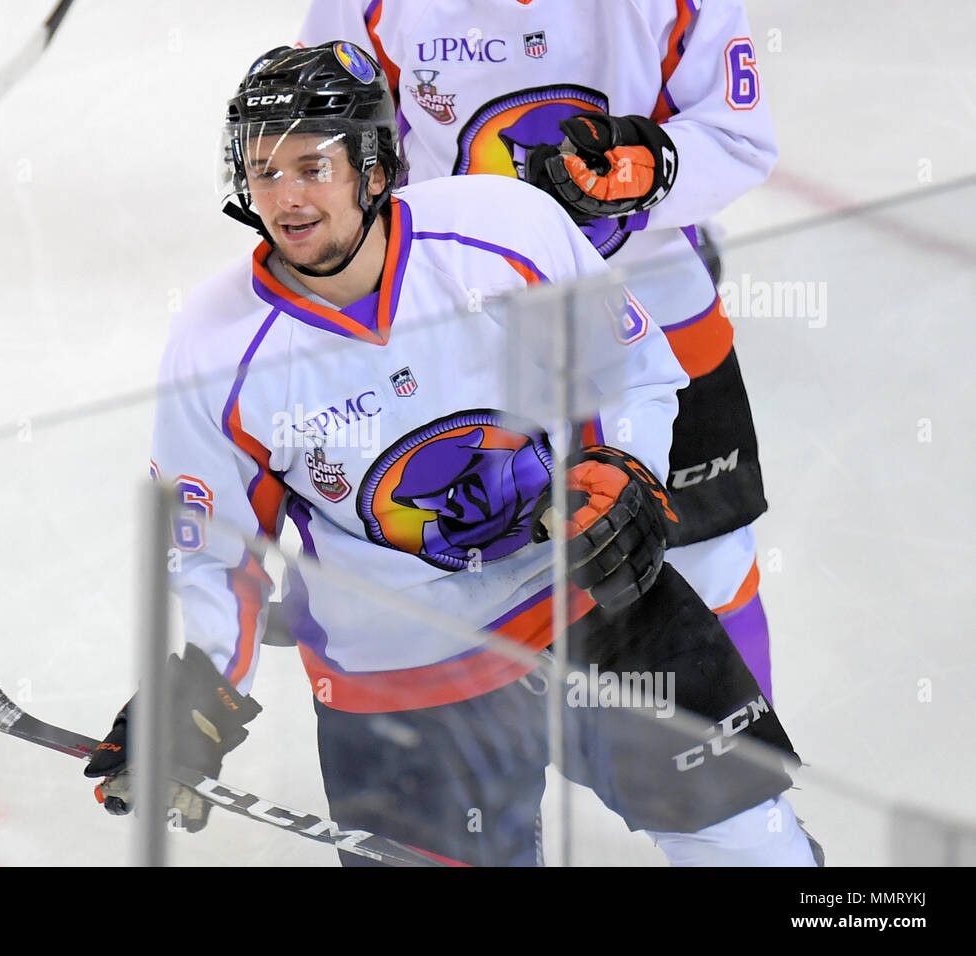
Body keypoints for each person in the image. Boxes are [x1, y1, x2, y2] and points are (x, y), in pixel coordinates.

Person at [84, 42, 817, 866]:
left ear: (371, 169)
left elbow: (630, 370)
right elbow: (220, 555)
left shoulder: (500, 229)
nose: (284, 197)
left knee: (751, 847)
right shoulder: (216, 352)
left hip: (589, 604)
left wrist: (623, 470)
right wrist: (202, 693)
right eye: (262, 170)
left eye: (311, 167)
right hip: (405, 678)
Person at [297, 0, 780, 701]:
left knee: (709, 565)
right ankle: (492, 797)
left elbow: (739, 139)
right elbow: (327, 153)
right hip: (468, 344)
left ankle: (752, 798)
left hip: (657, 314)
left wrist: (651, 171)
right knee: (487, 598)